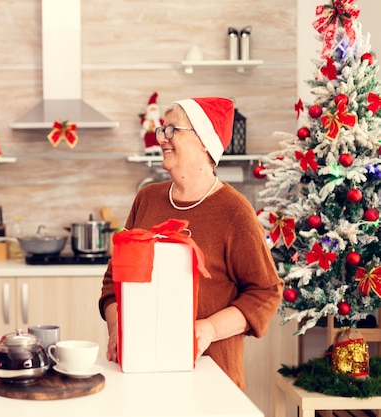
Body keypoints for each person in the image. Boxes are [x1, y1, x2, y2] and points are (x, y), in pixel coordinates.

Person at [99, 96, 283, 390]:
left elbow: (266, 291)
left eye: (172, 129)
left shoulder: (234, 211)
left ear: (203, 142)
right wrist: (117, 329)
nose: (162, 138)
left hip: (210, 379)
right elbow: (114, 279)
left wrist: (209, 328)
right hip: (140, 373)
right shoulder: (146, 199)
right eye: (162, 130)